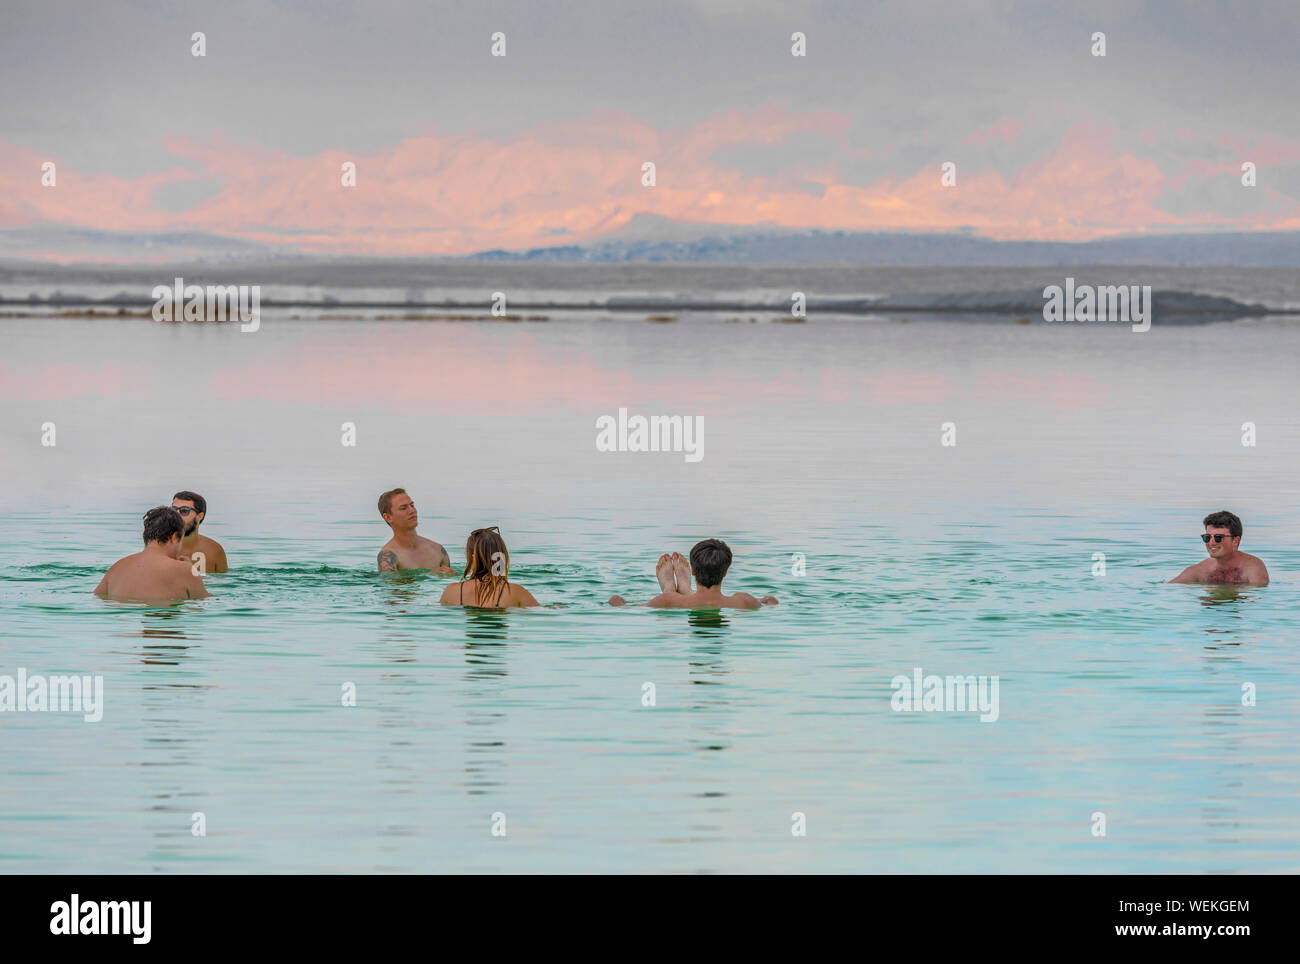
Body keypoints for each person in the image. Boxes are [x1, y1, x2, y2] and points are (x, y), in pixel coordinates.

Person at [609, 538, 778, 609]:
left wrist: (616, 598)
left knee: (670, 597)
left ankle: (675, 587)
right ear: (726, 571)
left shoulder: (665, 599)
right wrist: (765, 600)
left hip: (674, 601)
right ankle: (685, 588)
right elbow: (771, 601)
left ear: (693, 570)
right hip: (720, 604)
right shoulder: (744, 601)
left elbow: (620, 606)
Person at [94, 507, 211, 603]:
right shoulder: (185, 569)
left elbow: (97, 596)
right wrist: (191, 570)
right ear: (174, 537)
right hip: (165, 627)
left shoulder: (118, 567)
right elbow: (201, 604)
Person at [439, 527, 539, 607]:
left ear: (472, 558)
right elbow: (539, 613)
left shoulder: (451, 590)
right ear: (502, 556)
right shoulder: (515, 591)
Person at [1170, 510, 1269, 586]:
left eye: (1218, 538)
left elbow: (1258, 600)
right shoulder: (1201, 570)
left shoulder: (1252, 568)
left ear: (1235, 541)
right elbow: (1169, 588)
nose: (1211, 543)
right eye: (1207, 537)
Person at [376, 488, 452, 573]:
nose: (412, 510)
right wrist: (430, 576)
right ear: (388, 517)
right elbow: (389, 584)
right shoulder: (388, 556)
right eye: (403, 508)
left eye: (412, 505)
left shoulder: (438, 550)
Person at [172, 490, 228, 573]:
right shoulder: (159, 547)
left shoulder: (214, 550)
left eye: (184, 510)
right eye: (173, 509)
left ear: (200, 516)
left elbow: (224, 582)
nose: (176, 515)